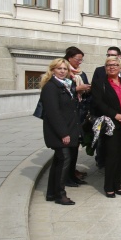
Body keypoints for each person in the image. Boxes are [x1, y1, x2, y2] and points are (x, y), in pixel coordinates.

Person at [91, 55, 121, 198]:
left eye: (114, 65)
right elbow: (99, 103)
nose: (112, 67)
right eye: (108, 65)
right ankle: (108, 186)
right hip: (111, 124)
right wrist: (116, 115)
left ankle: (117, 184)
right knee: (111, 155)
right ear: (105, 68)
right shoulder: (100, 83)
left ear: (119, 67)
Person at [40, 59, 80, 205]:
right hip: (59, 131)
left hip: (66, 128)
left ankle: (52, 193)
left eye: (65, 69)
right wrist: (64, 133)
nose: (62, 71)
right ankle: (60, 194)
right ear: (52, 70)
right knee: (64, 160)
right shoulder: (51, 87)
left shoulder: (65, 85)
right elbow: (53, 113)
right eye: (59, 68)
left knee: (58, 161)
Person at [63, 46, 90, 185]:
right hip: (68, 115)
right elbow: (61, 90)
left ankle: (72, 173)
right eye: (78, 59)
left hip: (79, 113)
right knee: (68, 149)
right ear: (69, 58)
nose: (80, 62)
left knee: (75, 146)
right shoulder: (64, 72)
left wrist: (86, 89)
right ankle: (66, 177)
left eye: (81, 60)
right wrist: (77, 88)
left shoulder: (81, 73)